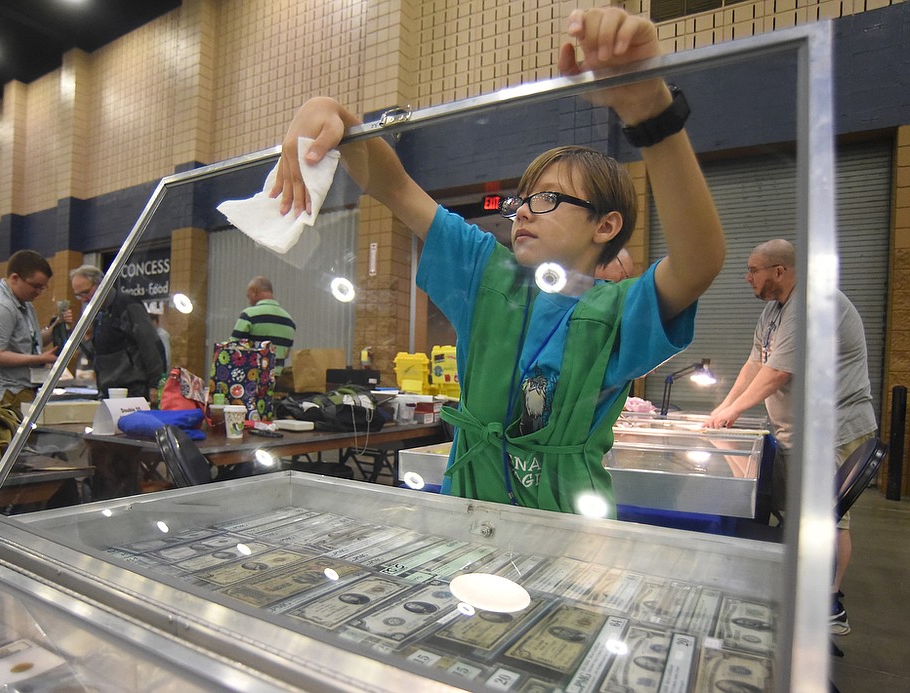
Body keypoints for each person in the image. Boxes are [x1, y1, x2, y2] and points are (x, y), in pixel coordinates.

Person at [273, 8, 724, 515]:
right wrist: (334, 113)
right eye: (522, 200)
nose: (525, 210)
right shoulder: (487, 272)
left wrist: (649, 112)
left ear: (606, 226)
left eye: (549, 199)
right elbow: (394, 186)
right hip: (469, 513)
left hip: (567, 524)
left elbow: (699, 260)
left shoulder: (617, 312)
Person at [704, 239, 876, 635]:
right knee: (796, 512)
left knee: (828, 518)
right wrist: (724, 409)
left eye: (753, 270)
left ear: (779, 271)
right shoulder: (773, 311)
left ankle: (829, 603)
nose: (747, 278)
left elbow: (780, 372)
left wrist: (733, 411)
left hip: (833, 433)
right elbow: (755, 363)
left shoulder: (812, 305)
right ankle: (801, 582)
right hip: (797, 434)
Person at [0, 250, 60, 411]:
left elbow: (29, 342)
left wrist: (57, 329)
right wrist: (38, 359)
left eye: (43, 287)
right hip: (1, 397)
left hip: (18, 392)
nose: (39, 292)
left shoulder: (24, 303)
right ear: (15, 278)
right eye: (36, 286)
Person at [68, 265, 166, 403]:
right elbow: (97, 354)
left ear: (101, 284)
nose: (84, 299)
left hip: (134, 390)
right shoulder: (97, 314)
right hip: (109, 390)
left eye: (86, 292)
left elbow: (150, 345)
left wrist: (155, 385)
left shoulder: (128, 305)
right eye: (78, 295)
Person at [231, 275, 296, 377]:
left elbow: (232, 348)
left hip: (251, 382)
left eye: (248, 296)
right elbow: (286, 353)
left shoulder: (249, 315)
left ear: (254, 291)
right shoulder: (289, 320)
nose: (249, 301)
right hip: (277, 381)